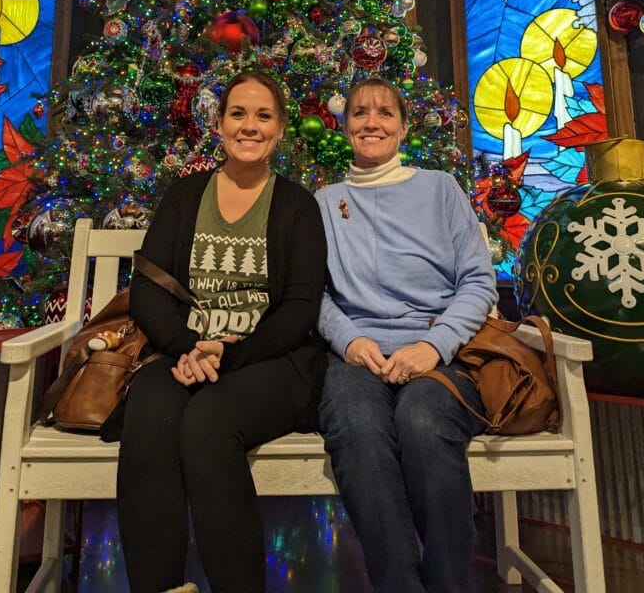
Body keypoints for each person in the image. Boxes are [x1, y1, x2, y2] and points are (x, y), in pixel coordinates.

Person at [117, 70, 327, 593]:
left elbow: (301, 307)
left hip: (272, 363)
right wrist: (188, 347)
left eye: (263, 116)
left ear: (279, 130)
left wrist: (230, 356)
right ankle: (161, 587)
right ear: (219, 124)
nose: (249, 126)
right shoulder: (186, 195)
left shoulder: (299, 206)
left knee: (208, 422)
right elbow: (147, 288)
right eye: (238, 113)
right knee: (151, 411)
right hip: (185, 352)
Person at [316, 77, 497, 593]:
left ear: (403, 126)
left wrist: (433, 346)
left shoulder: (441, 188)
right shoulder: (325, 202)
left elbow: (478, 281)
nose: (371, 122)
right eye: (359, 113)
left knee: (422, 421)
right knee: (355, 426)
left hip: (439, 349)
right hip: (358, 355)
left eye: (384, 113)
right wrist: (348, 338)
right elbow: (312, 294)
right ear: (344, 124)